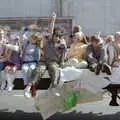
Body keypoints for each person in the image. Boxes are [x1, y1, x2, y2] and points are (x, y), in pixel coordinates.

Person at [21, 33, 41, 98]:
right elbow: (23, 35)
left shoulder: (36, 46)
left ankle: (29, 88)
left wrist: (38, 50)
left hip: (33, 62)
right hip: (25, 62)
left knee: (31, 70)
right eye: (32, 38)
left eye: (34, 39)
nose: (32, 39)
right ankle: (26, 87)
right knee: (24, 69)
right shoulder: (26, 43)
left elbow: (38, 58)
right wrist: (25, 30)